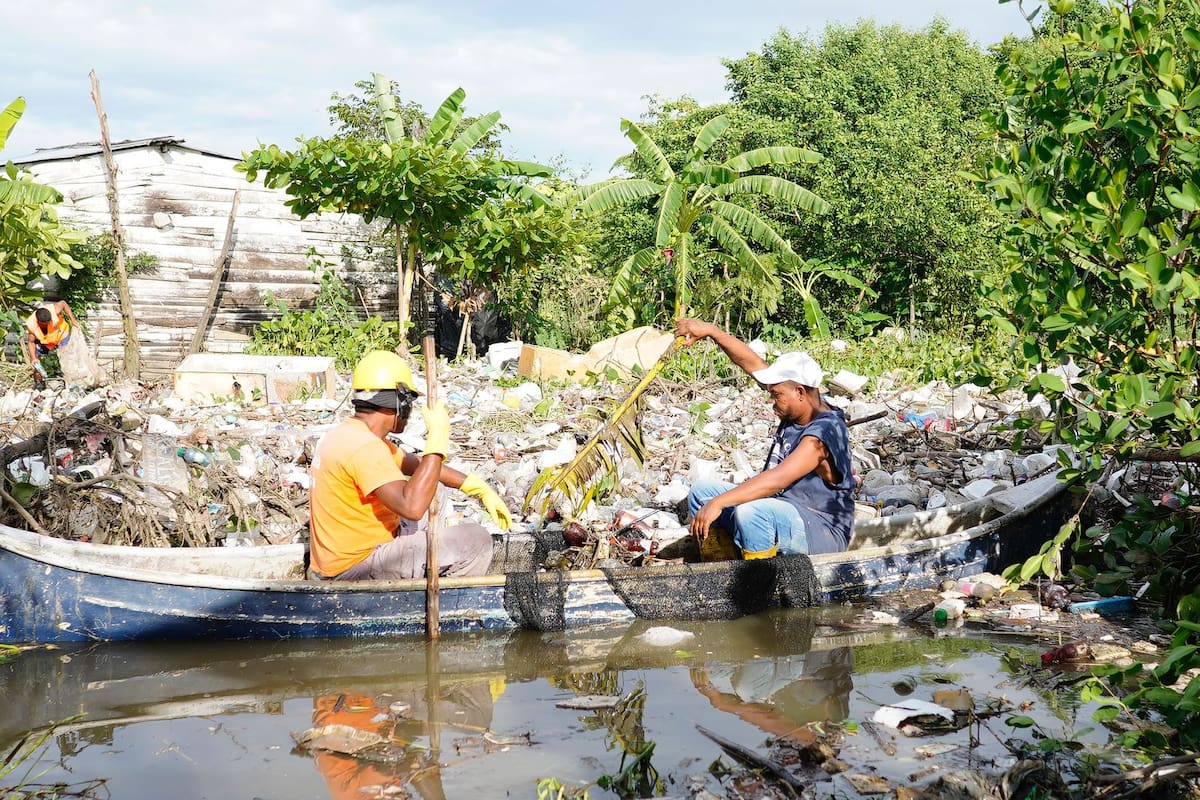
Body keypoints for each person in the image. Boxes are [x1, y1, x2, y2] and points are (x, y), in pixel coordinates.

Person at [307, 350, 513, 581]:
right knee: (477, 539)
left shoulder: (350, 433)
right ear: (400, 404)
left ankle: (424, 563)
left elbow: (415, 465)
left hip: (347, 552)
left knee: (434, 489)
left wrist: (474, 486)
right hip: (356, 567)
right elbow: (412, 507)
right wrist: (437, 438)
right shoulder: (365, 448)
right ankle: (445, 600)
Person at [674, 319, 854, 558]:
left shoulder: (822, 434)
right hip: (784, 508)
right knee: (702, 491)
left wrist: (718, 504)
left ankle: (758, 584)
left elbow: (777, 479)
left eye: (776, 395)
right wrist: (711, 332)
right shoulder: (797, 405)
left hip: (822, 529)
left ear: (800, 392)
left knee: (752, 512)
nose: (770, 401)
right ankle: (723, 562)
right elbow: (750, 363)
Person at [24, 300, 79, 386]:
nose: (49, 324)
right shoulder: (32, 325)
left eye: (49, 322)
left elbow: (63, 303)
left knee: (68, 357)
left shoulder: (54, 310)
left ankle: (72, 382)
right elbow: (31, 342)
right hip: (45, 340)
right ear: (39, 322)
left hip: (61, 334)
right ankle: (39, 383)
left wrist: (73, 319)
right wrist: (34, 358)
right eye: (45, 324)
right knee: (36, 363)